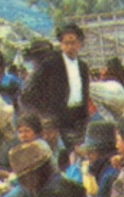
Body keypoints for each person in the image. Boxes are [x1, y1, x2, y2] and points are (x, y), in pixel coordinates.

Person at [21, 23, 91, 152]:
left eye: (73, 42)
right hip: (55, 120)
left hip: (77, 119)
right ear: (61, 44)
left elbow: (84, 95)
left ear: (80, 44)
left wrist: (85, 117)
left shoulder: (83, 67)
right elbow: (27, 94)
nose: (70, 46)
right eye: (66, 43)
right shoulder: (50, 64)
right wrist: (44, 116)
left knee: (78, 154)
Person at [77, 119, 119, 197]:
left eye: (92, 152)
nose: (88, 156)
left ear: (104, 152)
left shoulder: (110, 176)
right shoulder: (105, 172)